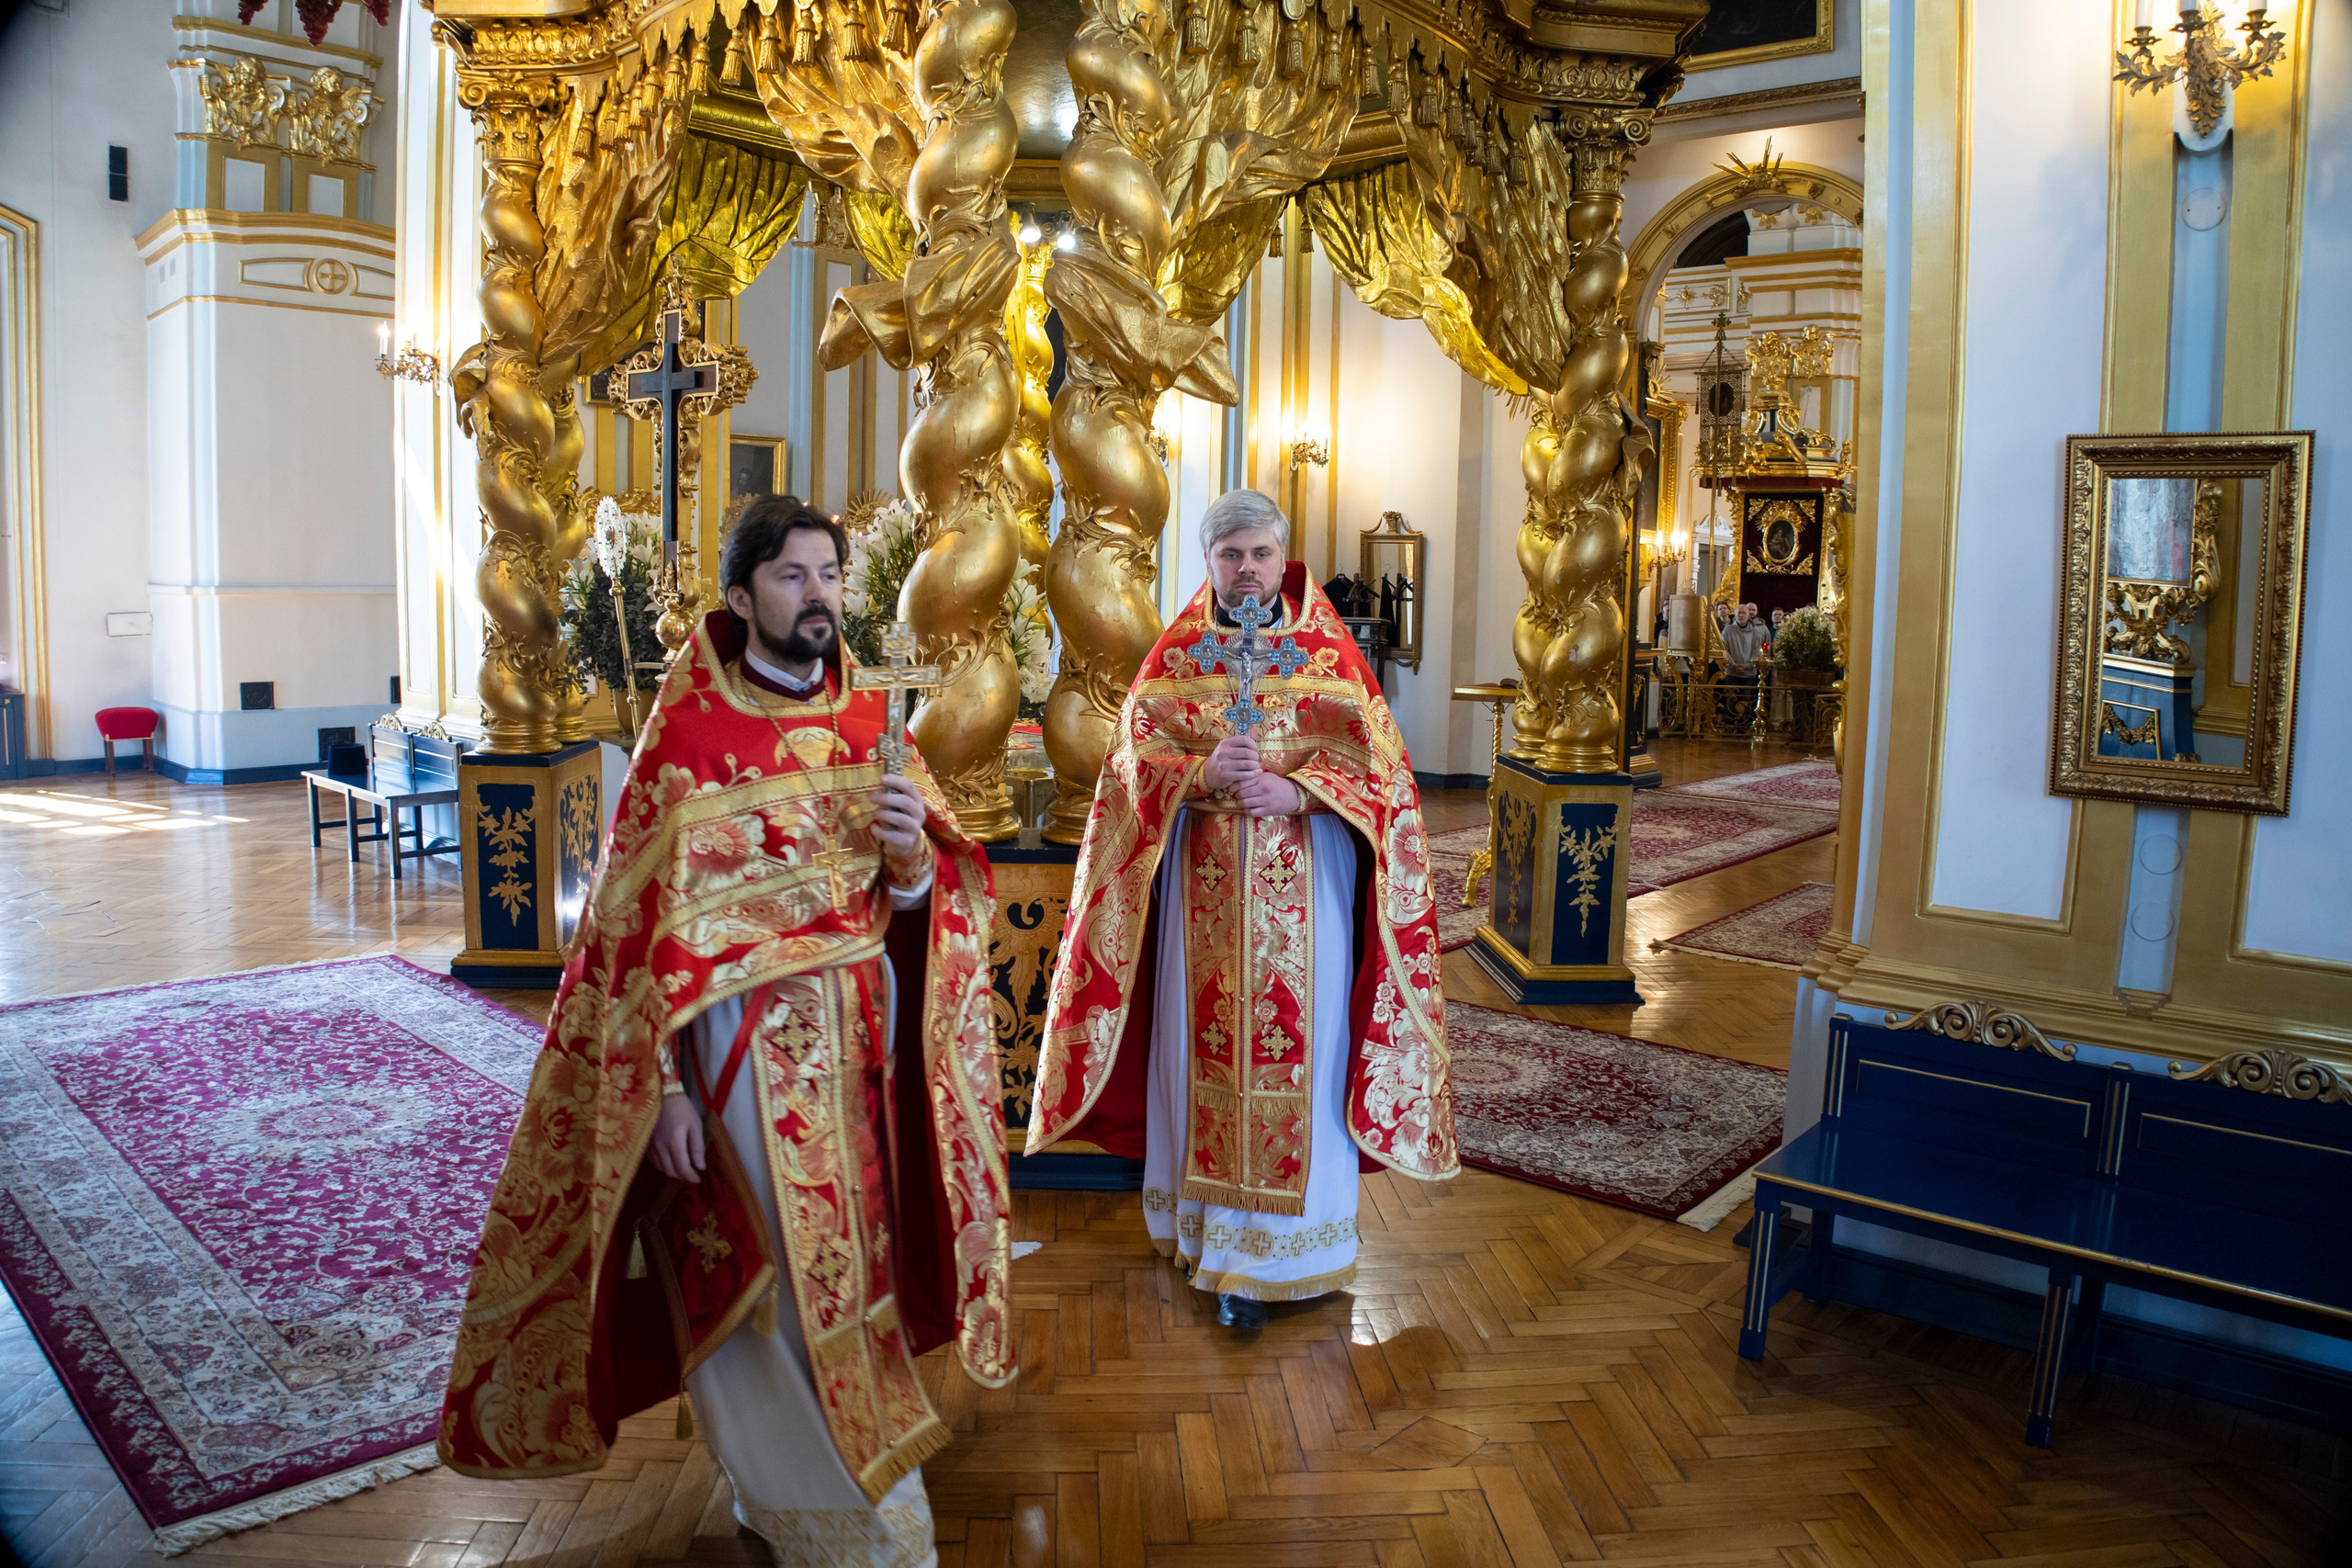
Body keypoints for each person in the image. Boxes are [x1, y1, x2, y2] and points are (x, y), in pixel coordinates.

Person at [439, 496, 1012, 1568]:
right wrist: (657, 1090)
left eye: (829, 576)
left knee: (855, 1272)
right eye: (793, 578)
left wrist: (911, 862)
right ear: (742, 596)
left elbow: (932, 896)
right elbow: (626, 941)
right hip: (735, 1060)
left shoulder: (868, 723)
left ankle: (803, 1498)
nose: (818, 597)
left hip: (856, 1057)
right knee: (767, 1280)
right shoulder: (689, 738)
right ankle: (836, 1515)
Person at [1025, 489, 1455, 1330]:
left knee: (1310, 1051)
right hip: (1203, 905)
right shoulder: (1180, 653)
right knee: (1204, 1057)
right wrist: (1199, 776)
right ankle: (1220, 1248)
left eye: (1260, 553)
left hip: (1313, 894)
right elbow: (1129, 766)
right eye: (1231, 557)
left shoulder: (1325, 650)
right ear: (1210, 563)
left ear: (1281, 553)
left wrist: (1296, 790)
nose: (1247, 570)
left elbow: (1385, 776)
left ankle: (1301, 1249)